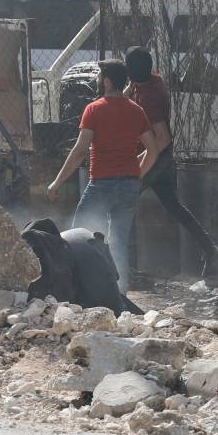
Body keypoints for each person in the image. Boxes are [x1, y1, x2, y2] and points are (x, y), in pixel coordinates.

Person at [46, 59, 158, 294]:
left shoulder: (94, 109)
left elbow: (79, 151)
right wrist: (137, 174)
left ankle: (77, 287)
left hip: (101, 183)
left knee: (77, 235)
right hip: (128, 185)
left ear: (106, 81)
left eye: (99, 77)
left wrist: (57, 182)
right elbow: (153, 149)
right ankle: (119, 292)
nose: (98, 80)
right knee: (119, 241)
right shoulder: (136, 111)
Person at [124, 47, 218, 277]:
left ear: (132, 72)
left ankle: (123, 264)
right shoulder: (152, 80)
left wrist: (140, 165)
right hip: (162, 155)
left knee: (123, 200)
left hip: (156, 155)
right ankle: (211, 250)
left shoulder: (149, 98)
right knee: (173, 206)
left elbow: (162, 137)